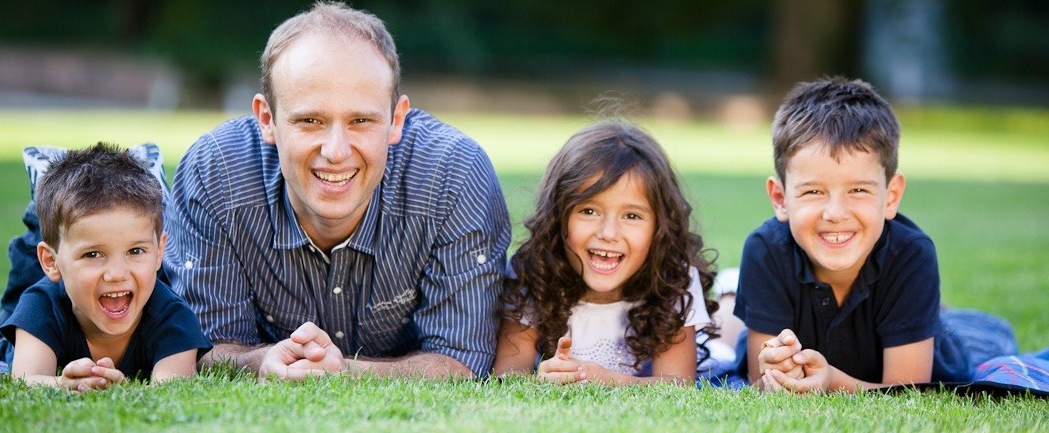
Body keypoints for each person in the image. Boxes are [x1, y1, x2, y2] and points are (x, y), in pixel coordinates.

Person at [163, 1, 511, 380]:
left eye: (360, 120)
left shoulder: (453, 175)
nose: (336, 152)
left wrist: (341, 370)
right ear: (268, 119)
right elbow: (204, 347)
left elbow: (463, 359)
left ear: (396, 119)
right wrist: (262, 361)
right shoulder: (218, 173)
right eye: (310, 120)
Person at [732, 77, 1015, 393]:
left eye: (858, 190)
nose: (836, 213)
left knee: (987, 337)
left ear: (891, 196)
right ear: (780, 199)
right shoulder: (765, 250)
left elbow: (906, 392)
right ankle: (731, 293)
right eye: (813, 191)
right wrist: (777, 370)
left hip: (948, 346)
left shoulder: (911, 254)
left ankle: (934, 317)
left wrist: (832, 382)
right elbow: (761, 381)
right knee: (730, 335)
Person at [492, 121, 721, 385]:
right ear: (557, 215)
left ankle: (730, 291)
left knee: (724, 358)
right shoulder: (534, 272)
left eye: (632, 216)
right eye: (589, 211)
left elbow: (678, 384)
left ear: (660, 228)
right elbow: (507, 376)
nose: (609, 233)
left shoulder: (674, 278)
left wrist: (607, 379)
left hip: (714, 358)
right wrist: (541, 379)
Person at [0, 143, 212, 391]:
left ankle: (141, 182)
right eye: (93, 254)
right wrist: (63, 384)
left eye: (135, 250)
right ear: (50, 262)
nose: (117, 274)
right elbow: (25, 380)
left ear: (161, 251)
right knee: (30, 262)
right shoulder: (40, 305)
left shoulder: (174, 316)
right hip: (43, 291)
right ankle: (43, 182)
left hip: (145, 276)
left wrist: (124, 388)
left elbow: (173, 387)